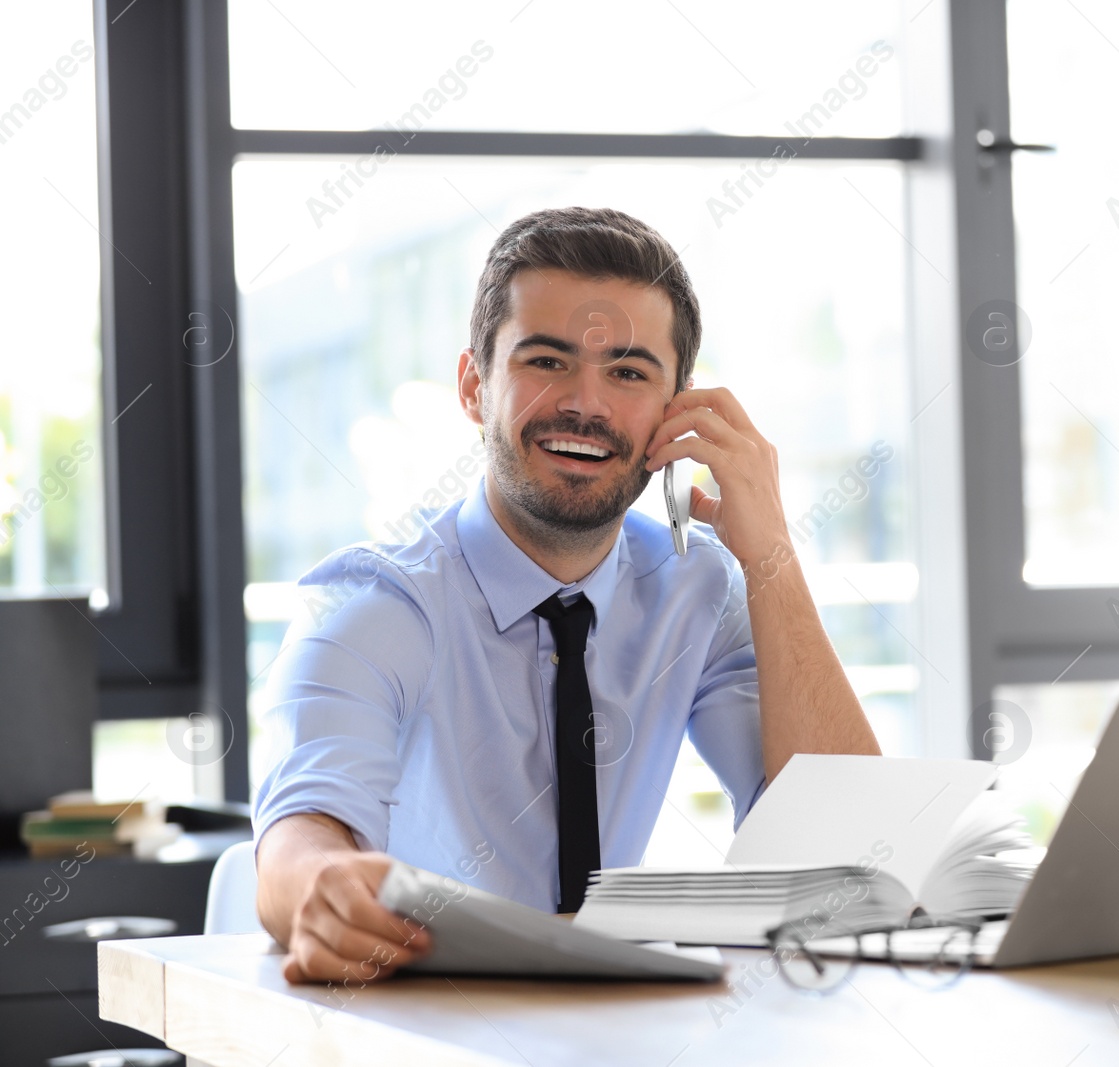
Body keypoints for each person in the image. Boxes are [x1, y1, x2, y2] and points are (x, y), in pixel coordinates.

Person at [252, 206, 881, 983]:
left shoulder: (697, 589)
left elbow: (848, 853)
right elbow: (299, 835)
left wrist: (774, 556)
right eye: (546, 361)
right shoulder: (377, 604)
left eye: (628, 372)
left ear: (675, 410)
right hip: (416, 1024)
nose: (587, 404)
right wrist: (322, 887)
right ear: (475, 387)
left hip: (611, 1026)